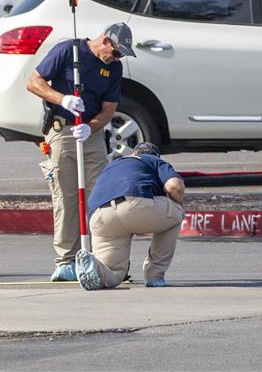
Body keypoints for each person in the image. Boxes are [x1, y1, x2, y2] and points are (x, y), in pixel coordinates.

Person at [26, 22, 136, 281]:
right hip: (62, 129)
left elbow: (108, 109)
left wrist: (90, 127)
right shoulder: (69, 51)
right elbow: (33, 82)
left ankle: (104, 257)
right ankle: (67, 260)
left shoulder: (114, 68)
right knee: (65, 198)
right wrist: (61, 98)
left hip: (90, 134)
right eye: (117, 52)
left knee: (101, 195)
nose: (117, 58)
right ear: (106, 41)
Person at [74, 142, 185, 290]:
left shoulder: (112, 165)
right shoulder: (154, 161)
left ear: (134, 153)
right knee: (176, 212)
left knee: (115, 272)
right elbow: (175, 187)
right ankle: (154, 275)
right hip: (133, 204)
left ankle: (95, 269)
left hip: (99, 215)